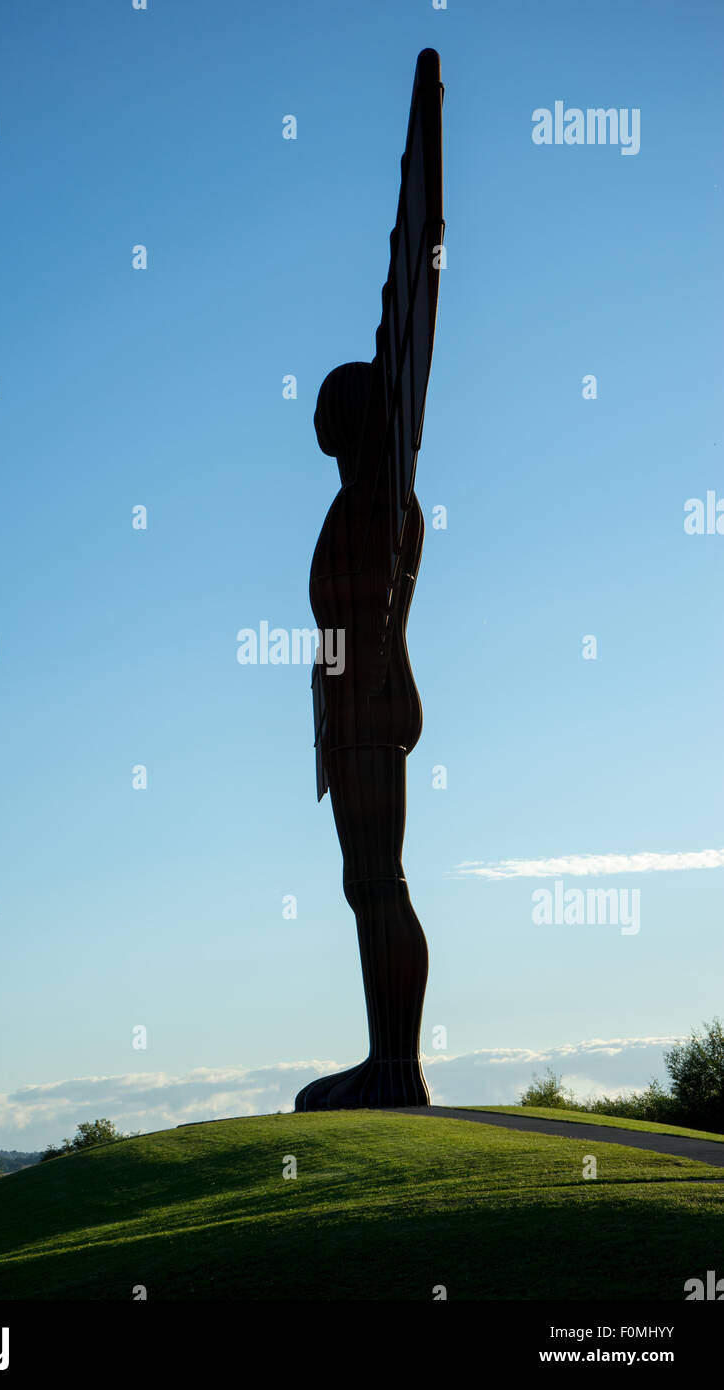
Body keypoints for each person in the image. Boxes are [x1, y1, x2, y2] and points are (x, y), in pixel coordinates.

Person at [295, 360, 431, 1111]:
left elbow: (369, 617)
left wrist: (357, 687)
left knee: (379, 881)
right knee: (367, 883)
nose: (315, 426)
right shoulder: (363, 500)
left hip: (370, 709)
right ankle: (386, 1057)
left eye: (325, 408)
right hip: (357, 708)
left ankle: (395, 1066)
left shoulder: (381, 502)